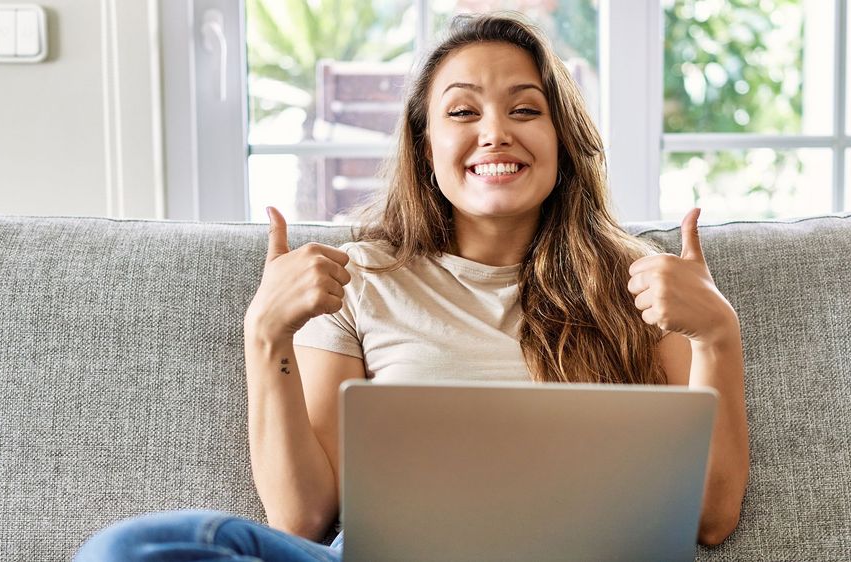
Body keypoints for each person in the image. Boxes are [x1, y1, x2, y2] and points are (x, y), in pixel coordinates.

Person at [75, 12, 748, 562]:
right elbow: (302, 518)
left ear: (562, 140)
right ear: (426, 147)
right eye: (462, 113)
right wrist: (266, 333)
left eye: (525, 108)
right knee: (141, 548)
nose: (495, 132)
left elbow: (711, 519)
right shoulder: (360, 279)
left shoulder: (643, 281)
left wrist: (717, 334)